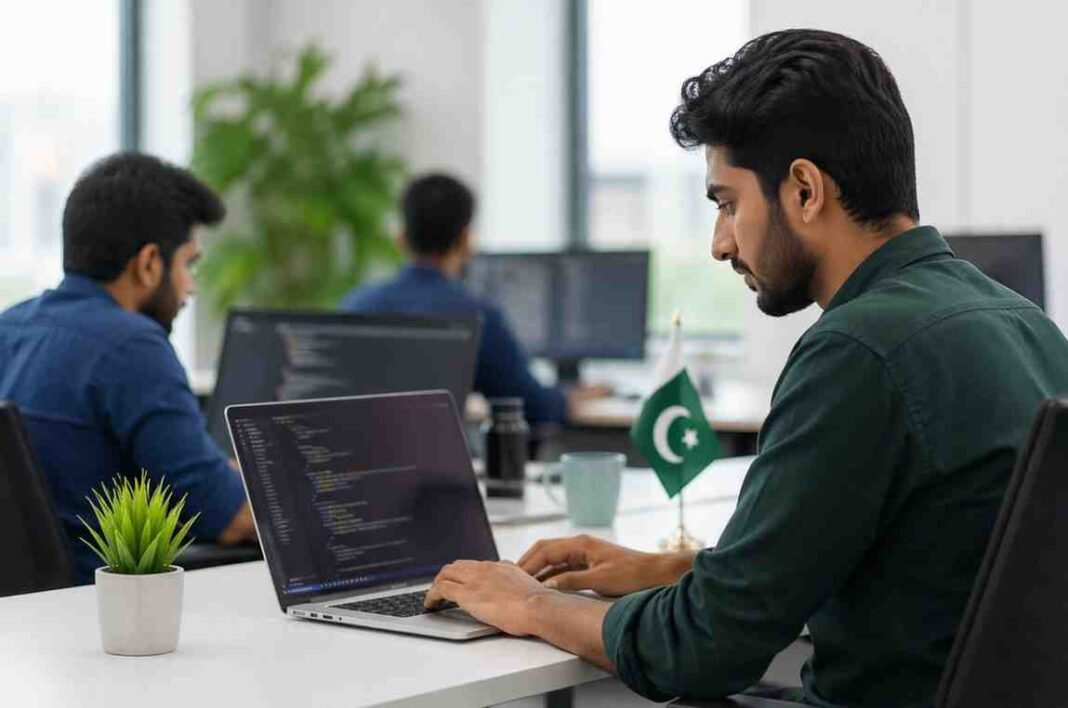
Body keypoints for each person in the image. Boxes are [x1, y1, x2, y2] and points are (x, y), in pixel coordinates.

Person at [423, 29, 1068, 706]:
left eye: (728, 203)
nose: (718, 243)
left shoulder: (857, 350)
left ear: (804, 191)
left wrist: (528, 604)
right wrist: (671, 570)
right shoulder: (1024, 323)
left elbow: (702, 651)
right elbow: (918, 562)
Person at [0, 153, 256, 585]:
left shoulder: (11, 326)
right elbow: (230, 519)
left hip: (26, 621)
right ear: (150, 263)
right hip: (106, 616)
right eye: (188, 264)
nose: (190, 285)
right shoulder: (131, 345)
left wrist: (225, 472)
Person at [339, 173, 604, 425]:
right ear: (466, 240)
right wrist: (575, 396)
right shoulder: (476, 316)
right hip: (440, 467)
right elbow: (531, 406)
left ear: (401, 238)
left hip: (357, 467)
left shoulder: (354, 306)